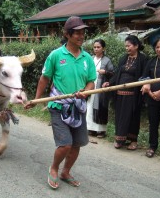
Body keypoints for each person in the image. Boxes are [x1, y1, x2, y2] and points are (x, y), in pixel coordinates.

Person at [25, 16, 97, 189]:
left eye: (83, 33)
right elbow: (44, 78)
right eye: (77, 33)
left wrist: (85, 92)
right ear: (67, 34)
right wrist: (36, 99)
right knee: (65, 144)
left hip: (78, 107)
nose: (81, 36)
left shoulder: (87, 58)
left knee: (77, 144)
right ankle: (55, 168)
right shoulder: (56, 55)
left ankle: (66, 171)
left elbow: (91, 81)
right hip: (58, 105)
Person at [103, 35, 147, 150]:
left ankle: (133, 141)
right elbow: (118, 73)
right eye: (125, 46)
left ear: (136, 46)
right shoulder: (123, 58)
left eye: (129, 46)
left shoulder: (143, 59)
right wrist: (110, 83)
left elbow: (145, 75)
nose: (127, 48)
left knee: (132, 117)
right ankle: (119, 140)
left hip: (133, 95)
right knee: (120, 117)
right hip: (120, 93)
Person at [87, 39, 114, 138]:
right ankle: (91, 129)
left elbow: (113, 73)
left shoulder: (107, 60)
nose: (96, 49)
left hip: (101, 86)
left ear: (103, 48)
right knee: (89, 107)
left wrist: (105, 72)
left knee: (101, 107)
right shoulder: (90, 58)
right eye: (94, 47)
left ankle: (101, 131)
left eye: (98, 47)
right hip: (90, 85)